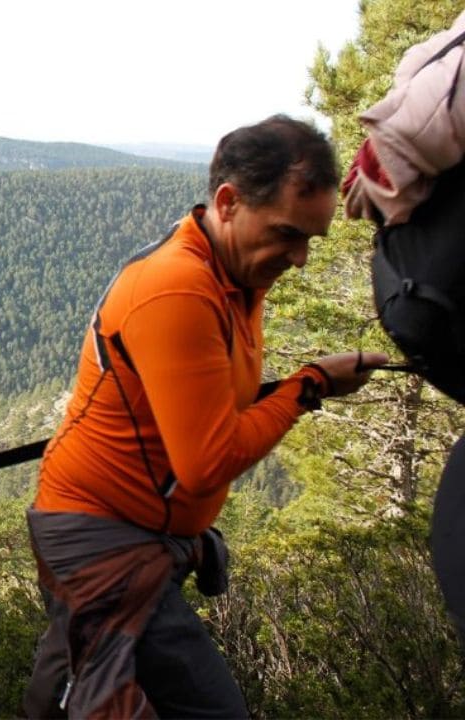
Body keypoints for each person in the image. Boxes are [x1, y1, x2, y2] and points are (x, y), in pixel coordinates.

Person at [22, 116, 386, 718]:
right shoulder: (181, 288)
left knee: (78, 690)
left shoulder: (234, 269)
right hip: (103, 537)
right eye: (287, 234)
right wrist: (310, 386)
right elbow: (206, 462)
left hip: (133, 534)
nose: (297, 259)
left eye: (311, 241)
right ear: (227, 202)